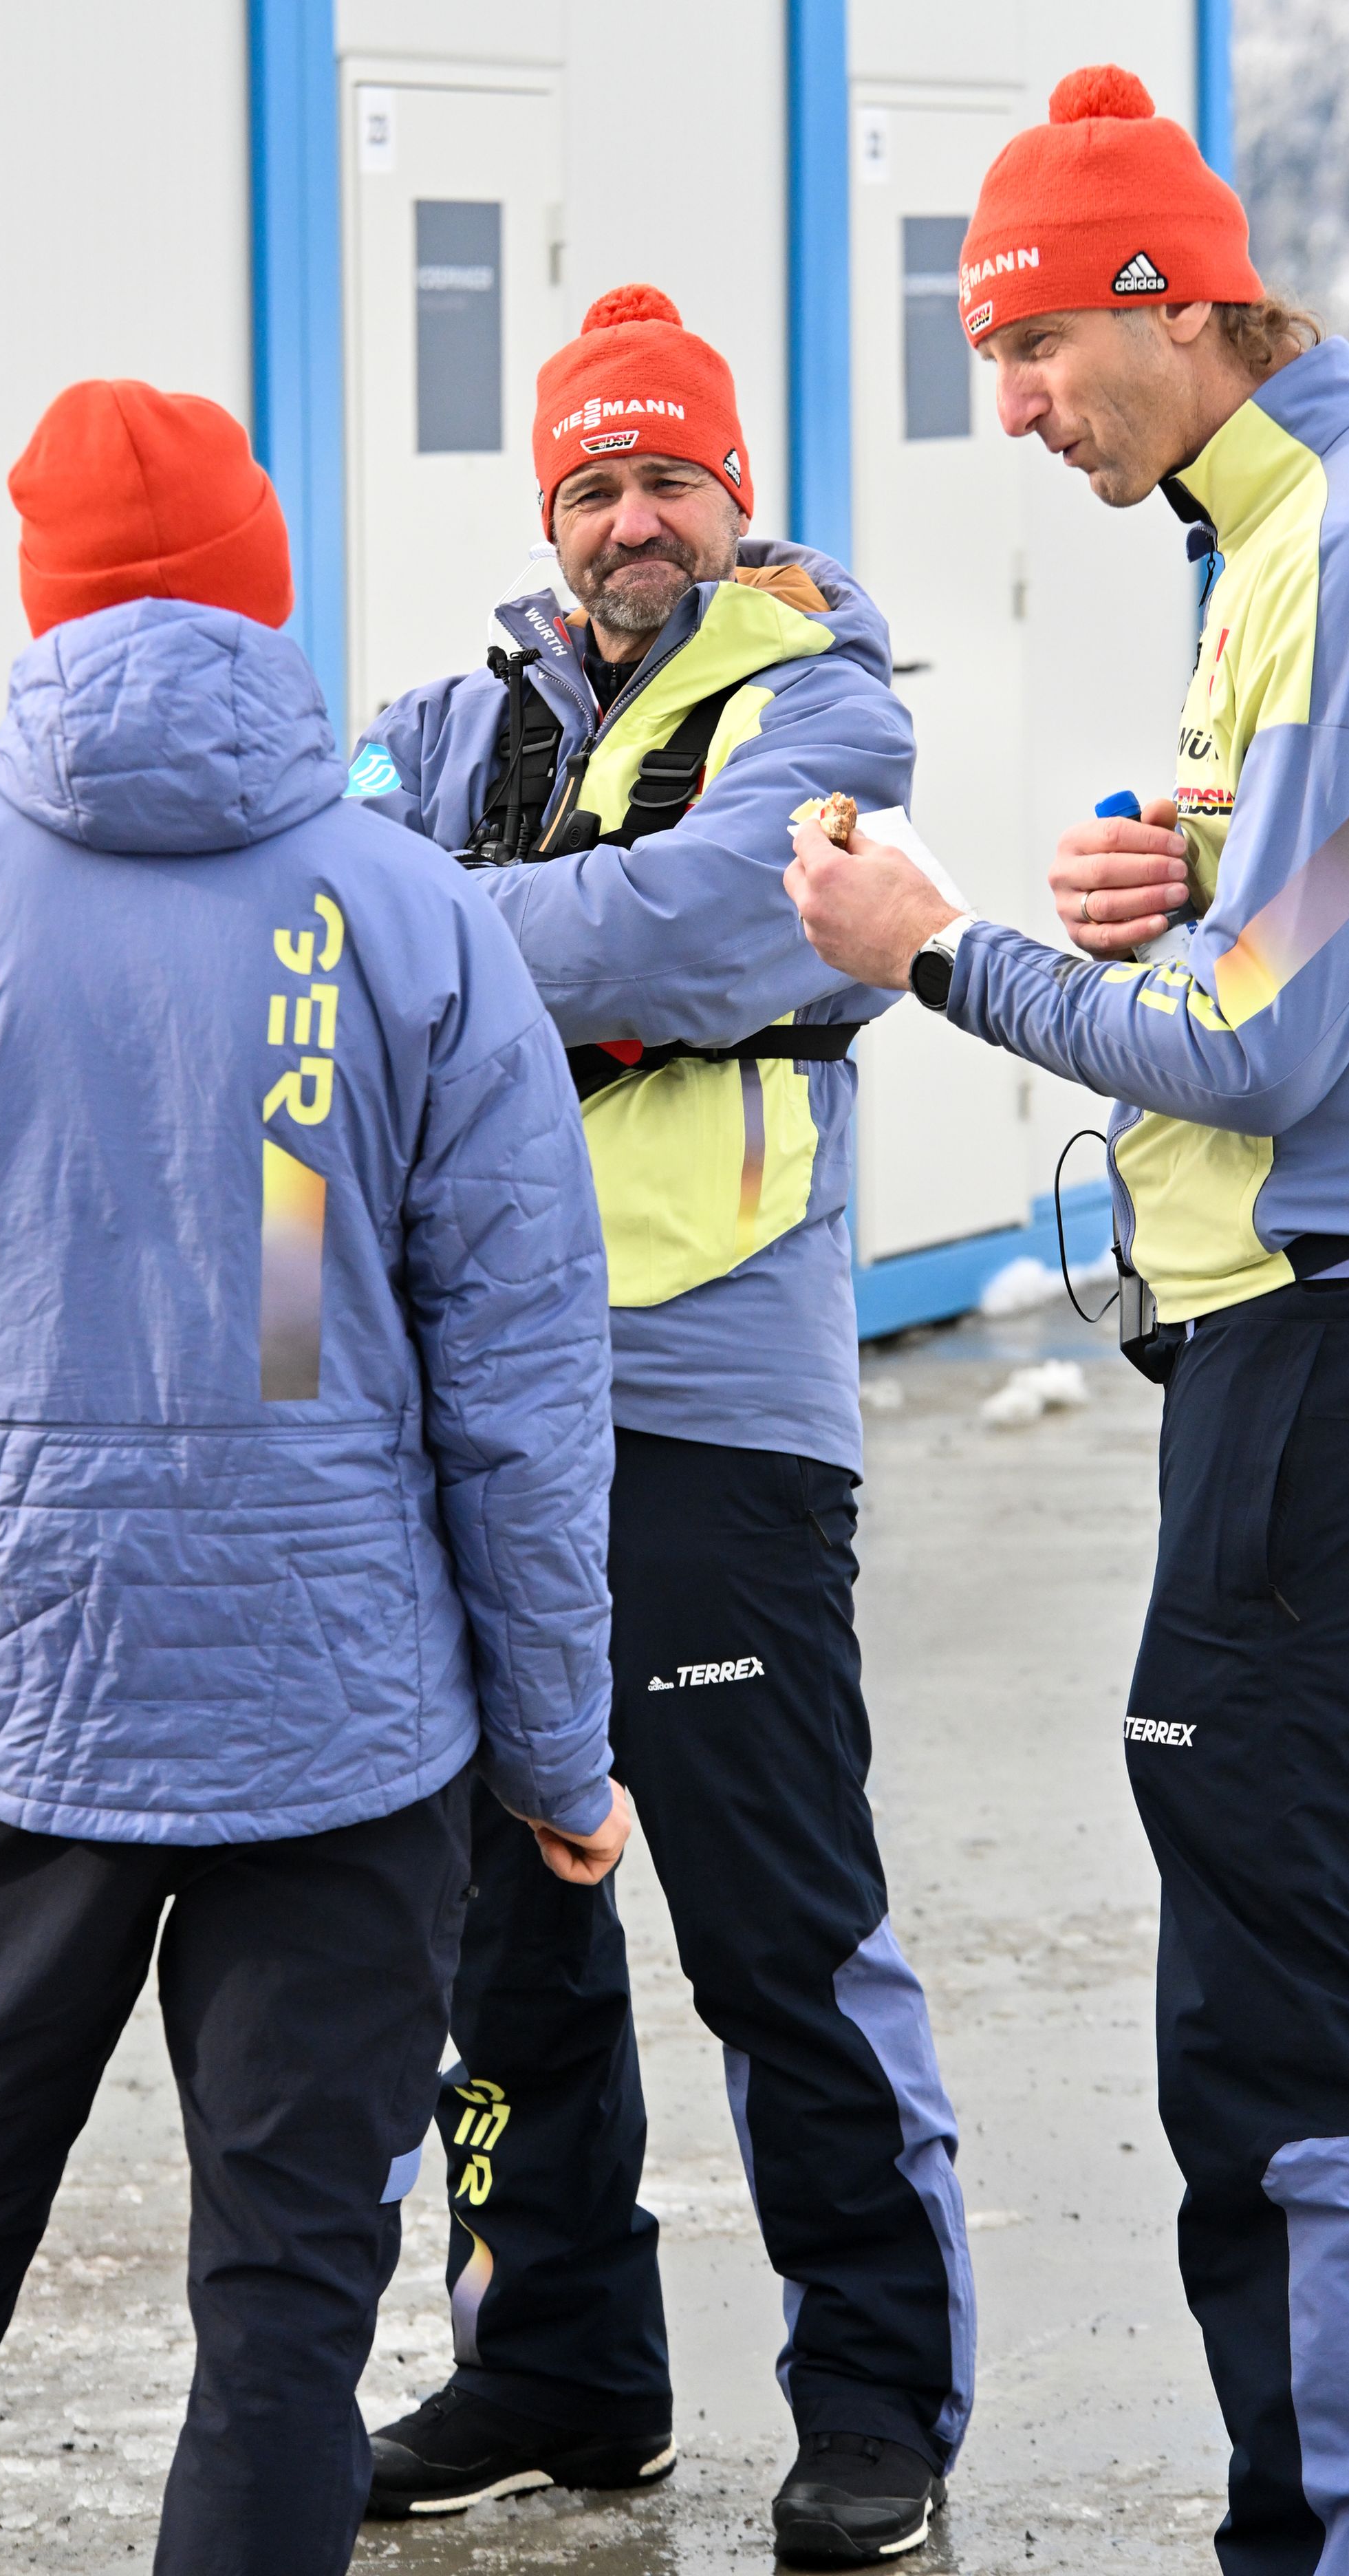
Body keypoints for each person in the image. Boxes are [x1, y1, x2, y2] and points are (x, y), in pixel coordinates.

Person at [786, 68, 1349, 2576]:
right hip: (1344, 1345)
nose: (1013, 409)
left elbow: (1265, 1047)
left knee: (1295, 2022)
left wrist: (944, 954)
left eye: (1031, 347)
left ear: (1166, 300)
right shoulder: (1279, 539)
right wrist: (1188, 871)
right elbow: (1327, 909)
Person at [0, 380, 626, 2576]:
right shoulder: (409, 917)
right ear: (266, 593)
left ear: (42, 609)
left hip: (19, 1717)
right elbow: (523, 1393)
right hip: (336, 1736)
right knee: (284, 2315)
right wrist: (559, 1752)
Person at [349, 286, 973, 2567]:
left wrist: (448, 929)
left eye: (670, 478)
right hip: (473, 1396)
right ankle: (559, 2366)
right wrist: (504, 934)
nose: (633, 519)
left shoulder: (821, 699)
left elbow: (722, 933)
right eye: (593, 483)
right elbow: (315, 932)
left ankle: (878, 2396)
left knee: (777, 1918)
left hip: (719, 1387)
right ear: (553, 510)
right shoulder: (443, 715)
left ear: (736, 499)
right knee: (499, 1924)